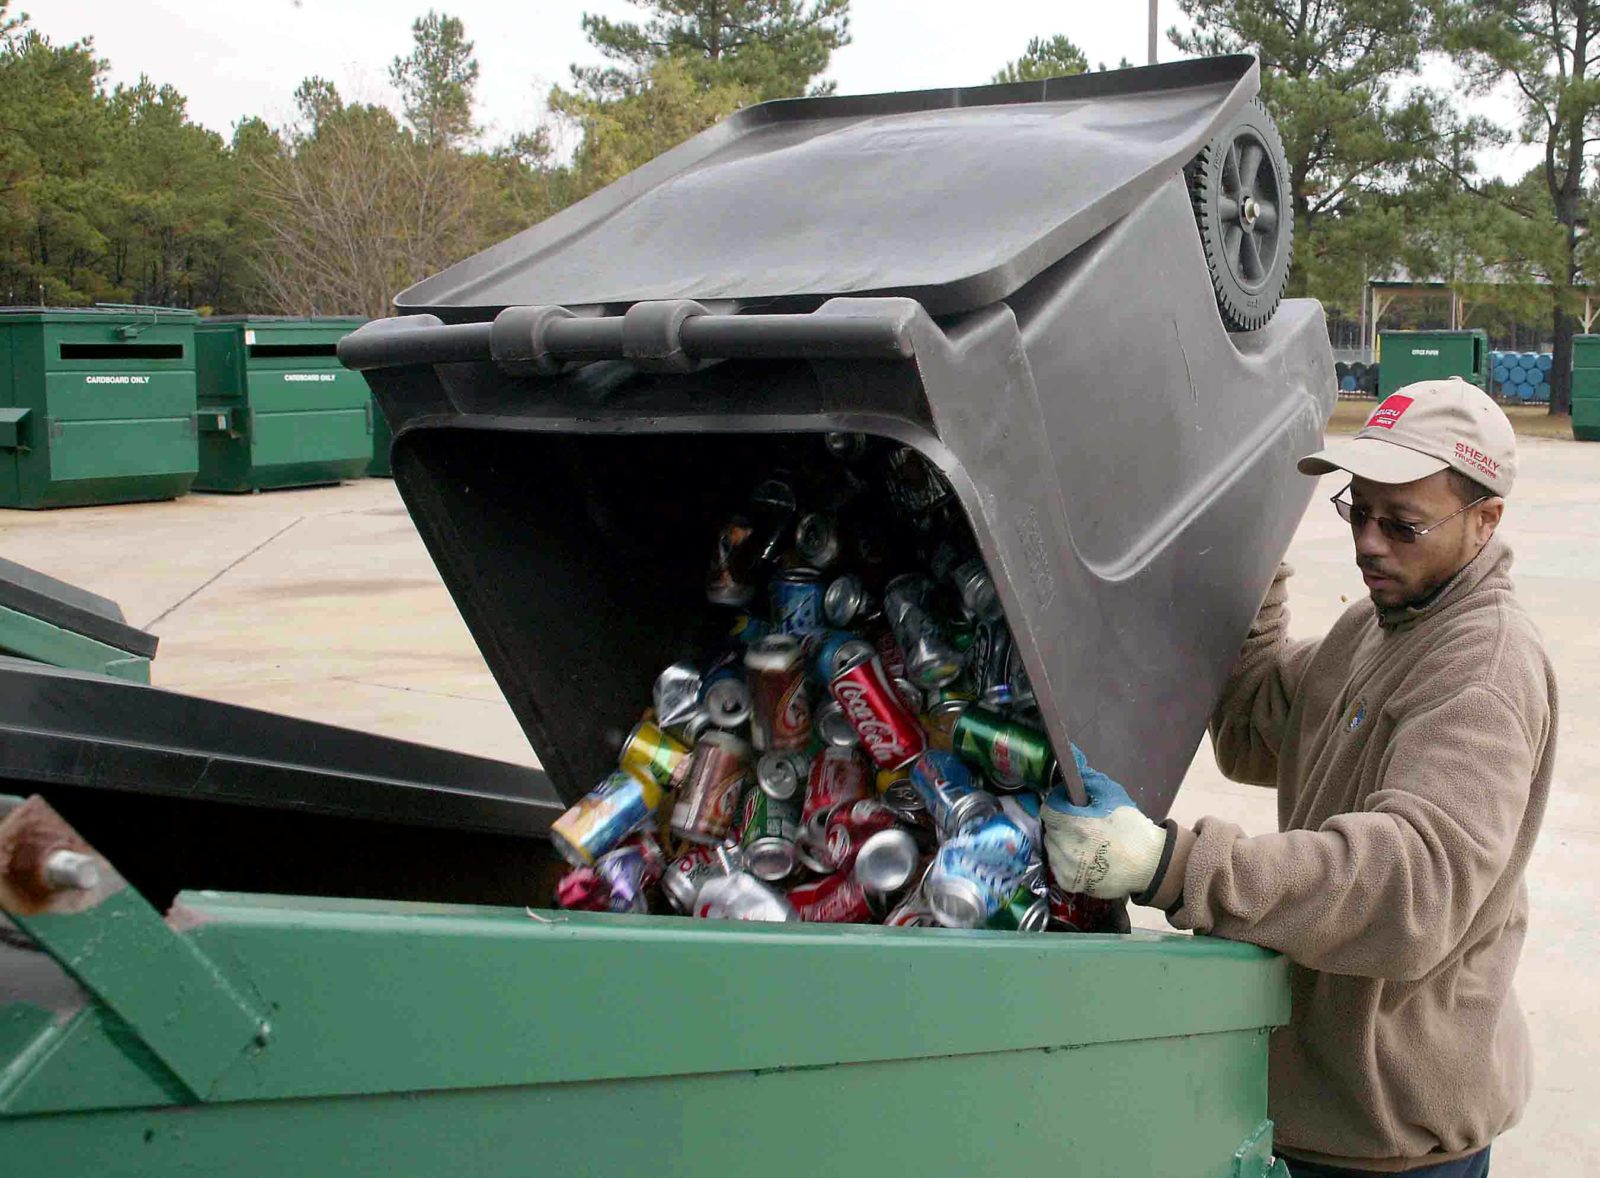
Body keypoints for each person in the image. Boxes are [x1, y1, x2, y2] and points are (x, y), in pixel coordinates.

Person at [1042, 378, 1557, 1177]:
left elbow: (1408, 888)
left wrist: (1169, 864)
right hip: (1316, 1103)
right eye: (1359, 509)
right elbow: (1254, 725)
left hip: (1387, 1137)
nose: (1369, 545)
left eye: (1404, 524)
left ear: (1485, 520)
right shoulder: (1382, 624)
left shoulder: (1480, 670)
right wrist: (1249, 563)